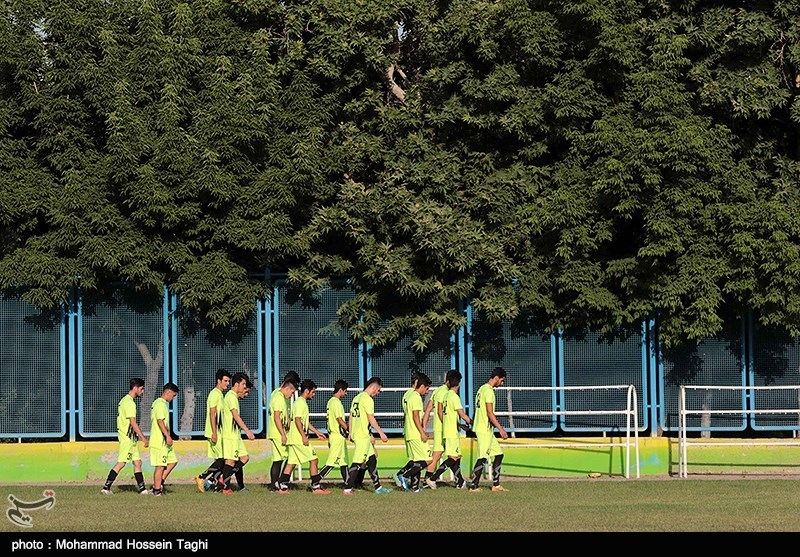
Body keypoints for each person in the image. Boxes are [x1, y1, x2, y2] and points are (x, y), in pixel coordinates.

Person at [276, 379, 329, 494]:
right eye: (313, 392)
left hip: (294, 438)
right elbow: (297, 420)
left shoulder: (301, 402)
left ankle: (282, 486)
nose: (313, 395)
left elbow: (304, 422)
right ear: (306, 391)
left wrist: (316, 432)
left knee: (291, 462)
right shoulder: (300, 403)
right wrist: (304, 436)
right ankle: (316, 487)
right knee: (314, 460)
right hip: (298, 439)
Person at [342, 376, 392, 495]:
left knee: (372, 458)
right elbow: (371, 419)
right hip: (362, 436)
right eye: (378, 390)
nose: (378, 393)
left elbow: (351, 416)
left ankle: (378, 487)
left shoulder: (357, 398)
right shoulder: (368, 399)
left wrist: (350, 432)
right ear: (373, 387)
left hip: (359, 434)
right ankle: (347, 488)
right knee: (358, 461)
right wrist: (381, 433)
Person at [101, 378, 150, 495]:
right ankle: (106, 488)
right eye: (142, 389)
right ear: (135, 388)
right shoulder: (129, 403)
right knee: (122, 463)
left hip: (131, 438)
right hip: (127, 438)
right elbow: (132, 422)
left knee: (137, 463)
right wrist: (143, 438)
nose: (142, 391)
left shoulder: (125, 400)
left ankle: (143, 490)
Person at [425, 371, 471, 489]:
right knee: (450, 457)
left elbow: (437, 409)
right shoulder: (452, 396)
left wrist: (458, 425)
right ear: (459, 383)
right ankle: (432, 478)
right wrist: (472, 422)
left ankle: (460, 481)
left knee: (455, 456)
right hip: (448, 431)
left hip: (448, 429)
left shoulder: (444, 394)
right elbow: (461, 413)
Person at [468, 366, 509, 492]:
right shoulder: (489, 391)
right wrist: (501, 429)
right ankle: (474, 486)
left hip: (486, 429)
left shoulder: (482, 389)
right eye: (501, 380)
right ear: (496, 378)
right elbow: (490, 412)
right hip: (484, 429)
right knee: (483, 457)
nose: (502, 383)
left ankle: (496, 485)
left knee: (499, 454)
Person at [215, 372, 256, 494]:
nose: (244, 387)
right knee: (230, 461)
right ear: (237, 384)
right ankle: (225, 487)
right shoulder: (231, 397)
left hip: (235, 435)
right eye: (243, 384)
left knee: (244, 458)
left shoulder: (233, 397)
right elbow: (235, 416)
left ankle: (223, 480)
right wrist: (247, 431)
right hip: (230, 435)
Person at [195, 368, 231, 492]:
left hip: (220, 432)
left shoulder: (220, 394)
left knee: (222, 459)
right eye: (225, 381)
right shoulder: (214, 394)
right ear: (218, 381)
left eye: (228, 381)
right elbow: (212, 413)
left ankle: (213, 483)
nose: (227, 384)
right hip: (215, 432)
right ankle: (202, 477)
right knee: (222, 459)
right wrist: (214, 433)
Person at [396, 372, 432, 492]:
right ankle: (404, 476)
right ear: (421, 386)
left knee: (417, 461)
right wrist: (422, 432)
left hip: (409, 431)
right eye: (426, 388)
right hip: (415, 433)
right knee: (428, 459)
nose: (426, 391)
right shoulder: (416, 397)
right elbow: (416, 416)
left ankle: (414, 487)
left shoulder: (408, 395)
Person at [421, 370, 458, 486]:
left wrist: (424, 426)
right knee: (453, 455)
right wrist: (447, 424)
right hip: (444, 428)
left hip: (438, 428)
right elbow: (439, 411)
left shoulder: (437, 391)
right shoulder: (446, 392)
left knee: (437, 455)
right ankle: (432, 479)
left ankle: (427, 480)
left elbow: (428, 409)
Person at [267, 371, 299, 490]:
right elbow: (277, 417)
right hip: (278, 433)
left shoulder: (277, 394)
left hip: (276, 433)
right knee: (291, 457)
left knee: (277, 460)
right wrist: (283, 434)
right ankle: (281, 483)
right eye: (292, 392)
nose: (292, 395)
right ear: (287, 387)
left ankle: (274, 486)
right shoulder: (279, 398)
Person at [318, 380, 350, 487]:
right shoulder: (336, 402)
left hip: (334, 435)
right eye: (345, 391)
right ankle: (315, 480)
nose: (346, 393)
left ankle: (348, 484)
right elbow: (339, 419)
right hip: (337, 436)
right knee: (331, 463)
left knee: (343, 462)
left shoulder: (330, 402)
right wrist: (349, 430)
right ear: (340, 390)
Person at [150, 382, 179, 496]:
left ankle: (159, 483)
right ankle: (157, 490)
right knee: (160, 466)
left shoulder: (160, 403)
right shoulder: (160, 404)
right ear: (168, 392)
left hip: (164, 442)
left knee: (173, 461)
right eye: (173, 395)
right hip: (160, 441)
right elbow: (160, 421)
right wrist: (167, 436)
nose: (173, 398)